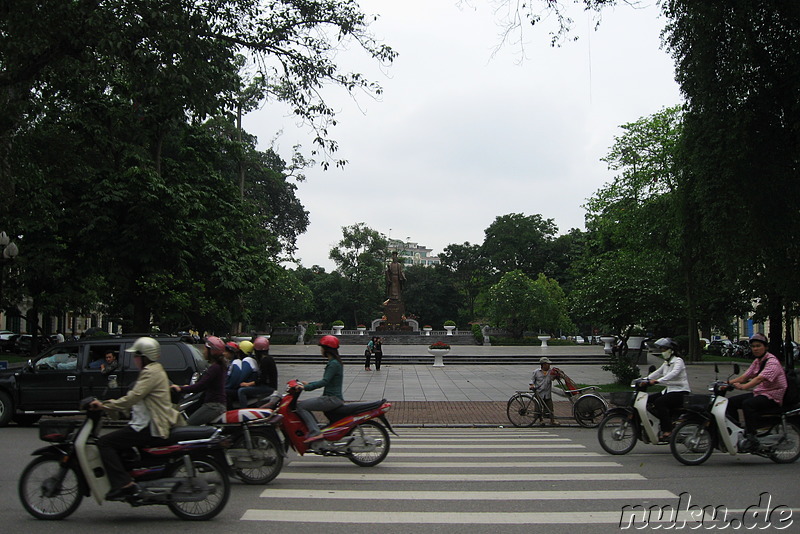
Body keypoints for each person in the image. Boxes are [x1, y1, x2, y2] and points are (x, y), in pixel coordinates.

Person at [89, 337, 184, 501]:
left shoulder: (150, 373)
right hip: (145, 422)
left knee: (104, 443)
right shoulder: (155, 369)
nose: (134, 360)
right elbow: (137, 400)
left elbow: (133, 397)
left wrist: (105, 405)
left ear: (144, 356)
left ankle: (124, 484)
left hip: (148, 426)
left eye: (136, 356)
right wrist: (118, 409)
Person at [727, 333, 788, 450]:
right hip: (761, 392)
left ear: (765, 347)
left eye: (758, 346)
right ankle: (738, 432)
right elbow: (745, 376)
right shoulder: (758, 361)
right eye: (753, 346)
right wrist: (727, 383)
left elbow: (759, 378)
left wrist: (745, 387)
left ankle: (752, 436)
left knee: (748, 404)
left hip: (773, 396)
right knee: (731, 402)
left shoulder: (772, 362)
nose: (755, 348)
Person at [296, 335, 345, 442]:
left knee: (301, 406)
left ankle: (315, 432)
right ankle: (315, 428)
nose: (321, 350)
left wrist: (306, 387)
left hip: (331, 399)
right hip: (333, 398)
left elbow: (324, 381)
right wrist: (309, 383)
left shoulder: (333, 364)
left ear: (327, 350)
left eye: (322, 348)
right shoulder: (335, 363)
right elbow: (327, 380)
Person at [172, 336, 228, 425]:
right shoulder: (218, 366)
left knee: (187, 427)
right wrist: (188, 387)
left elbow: (200, 386)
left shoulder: (215, 368)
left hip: (213, 406)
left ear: (212, 351)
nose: (203, 352)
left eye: (205, 349)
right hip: (215, 404)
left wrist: (180, 389)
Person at [645, 337, 690, 441]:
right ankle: (661, 421)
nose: (662, 351)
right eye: (661, 349)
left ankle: (667, 429)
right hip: (669, 390)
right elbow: (657, 372)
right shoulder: (666, 362)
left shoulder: (678, 361)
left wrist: (658, 381)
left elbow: (673, 374)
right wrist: (644, 379)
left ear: (671, 350)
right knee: (647, 400)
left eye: (664, 349)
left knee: (660, 402)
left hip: (681, 392)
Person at [237, 336, 278, 408]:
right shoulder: (268, 358)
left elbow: (262, 379)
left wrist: (248, 384)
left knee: (242, 391)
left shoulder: (265, 361)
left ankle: (243, 410)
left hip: (268, 387)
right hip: (269, 386)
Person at [530, 357, 560, 426]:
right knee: (539, 407)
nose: (548, 366)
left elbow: (554, 378)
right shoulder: (536, 372)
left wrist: (557, 375)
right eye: (547, 364)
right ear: (543, 365)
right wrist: (532, 385)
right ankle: (541, 420)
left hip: (547, 392)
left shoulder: (551, 372)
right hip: (539, 392)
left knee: (550, 407)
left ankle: (552, 420)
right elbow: (532, 380)